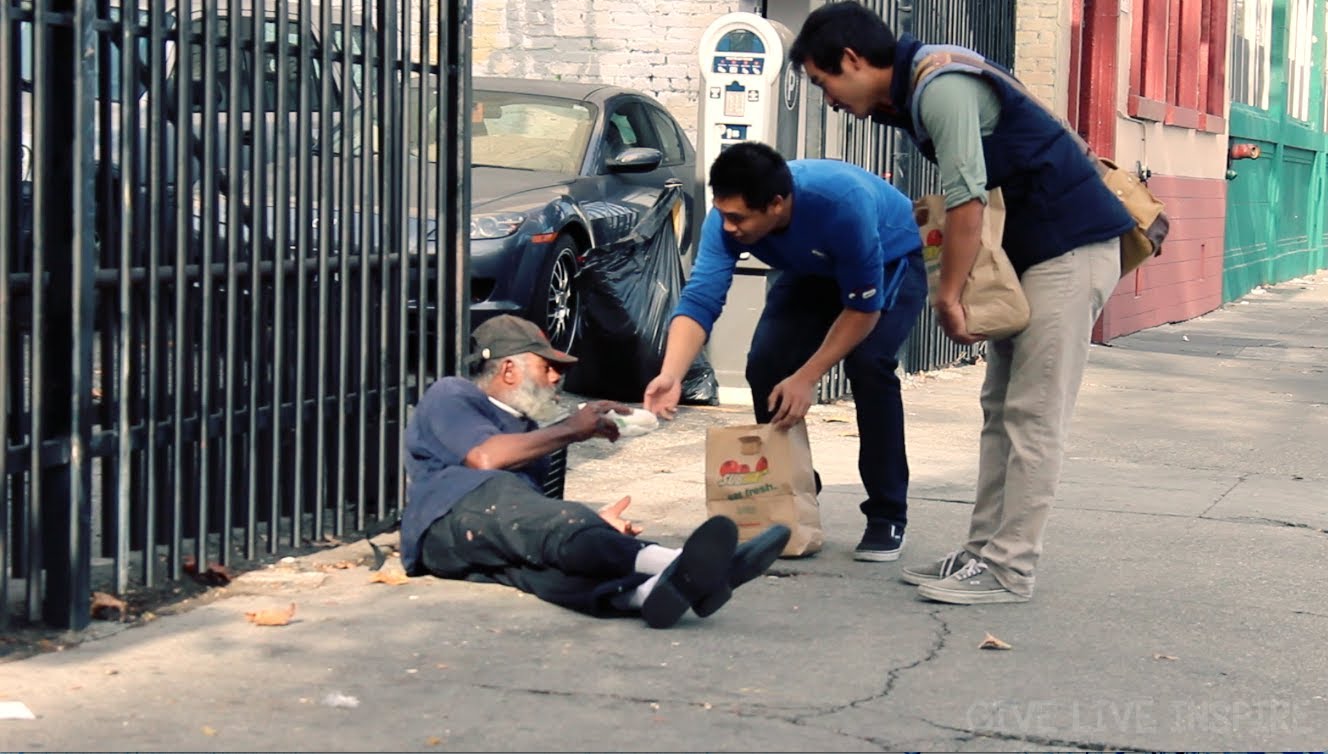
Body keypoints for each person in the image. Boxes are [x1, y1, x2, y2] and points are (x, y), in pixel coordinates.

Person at [789, 2, 1135, 604]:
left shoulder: (940, 87)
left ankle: (1010, 568)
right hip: (1032, 256)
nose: (829, 101)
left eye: (824, 83)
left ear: (852, 59)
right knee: (1000, 408)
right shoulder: (916, 89)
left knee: (1032, 415)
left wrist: (948, 294)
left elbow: (966, 200)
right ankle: (982, 553)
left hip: (1070, 250)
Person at [399, 314, 791, 628]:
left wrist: (592, 524)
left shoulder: (528, 431)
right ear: (508, 370)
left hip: (477, 541)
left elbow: (532, 517)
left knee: (546, 563)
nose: (557, 378)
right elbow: (484, 460)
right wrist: (572, 429)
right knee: (543, 518)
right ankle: (678, 562)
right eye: (547, 367)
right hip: (444, 522)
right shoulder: (454, 394)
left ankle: (646, 594)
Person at [643, 142, 928, 563]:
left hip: (888, 258)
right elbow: (701, 299)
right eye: (723, 214)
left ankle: (887, 513)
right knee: (766, 365)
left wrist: (808, 377)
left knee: (870, 364)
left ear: (776, 204)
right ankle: (791, 489)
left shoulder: (842, 206)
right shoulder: (726, 221)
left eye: (739, 218)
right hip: (812, 269)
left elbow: (863, 310)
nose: (728, 227)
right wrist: (671, 373)